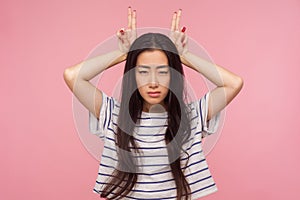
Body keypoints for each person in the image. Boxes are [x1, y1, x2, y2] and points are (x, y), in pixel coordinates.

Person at [63, 7, 243, 200]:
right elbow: (73, 76)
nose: (153, 82)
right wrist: (123, 53)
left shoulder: (192, 117)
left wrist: (182, 56)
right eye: (143, 71)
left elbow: (233, 83)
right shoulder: (112, 114)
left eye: (163, 71)